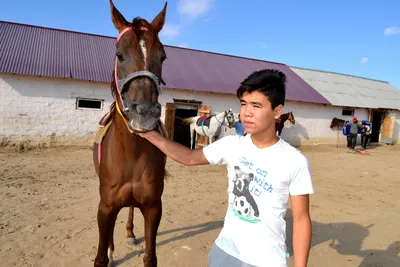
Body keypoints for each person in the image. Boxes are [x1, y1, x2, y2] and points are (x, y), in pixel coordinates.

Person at [138, 69, 314, 267]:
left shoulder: (294, 161)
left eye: (256, 105)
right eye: (243, 104)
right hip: (224, 252)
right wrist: (149, 134)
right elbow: (188, 157)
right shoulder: (232, 145)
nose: (246, 112)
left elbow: (300, 219)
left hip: (266, 260)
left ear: (277, 111)